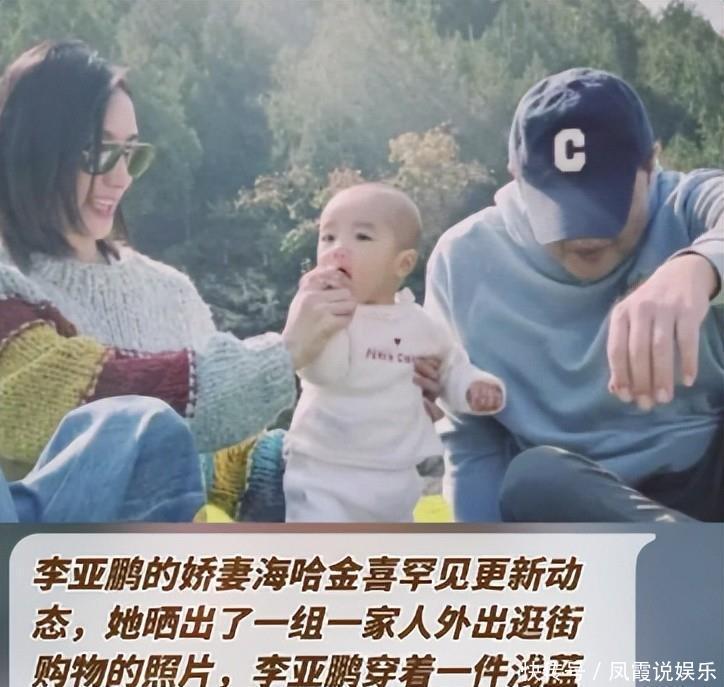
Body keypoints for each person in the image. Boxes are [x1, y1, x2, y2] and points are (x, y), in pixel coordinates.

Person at [0, 40, 357, 522]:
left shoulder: (169, 290)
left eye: (130, 153)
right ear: (34, 151)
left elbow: (218, 455)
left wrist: (345, 441)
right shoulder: (8, 285)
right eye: (99, 153)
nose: (121, 178)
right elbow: (105, 401)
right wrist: (286, 351)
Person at [425, 67, 723, 523]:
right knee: (533, 477)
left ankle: (686, 559)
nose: (585, 235)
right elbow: (473, 443)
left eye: (605, 201)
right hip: (584, 506)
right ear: (516, 176)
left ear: (650, 164)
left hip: (708, 471)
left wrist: (698, 267)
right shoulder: (463, 259)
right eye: (559, 204)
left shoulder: (688, 204)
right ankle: (690, 557)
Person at [283, 183, 505, 522]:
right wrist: (328, 322)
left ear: (402, 264)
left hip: (396, 470)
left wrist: (474, 387)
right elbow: (322, 372)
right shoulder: (324, 316)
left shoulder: (420, 324)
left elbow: (450, 367)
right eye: (328, 237)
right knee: (326, 545)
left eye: (362, 237)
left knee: (392, 543)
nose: (337, 249)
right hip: (324, 467)